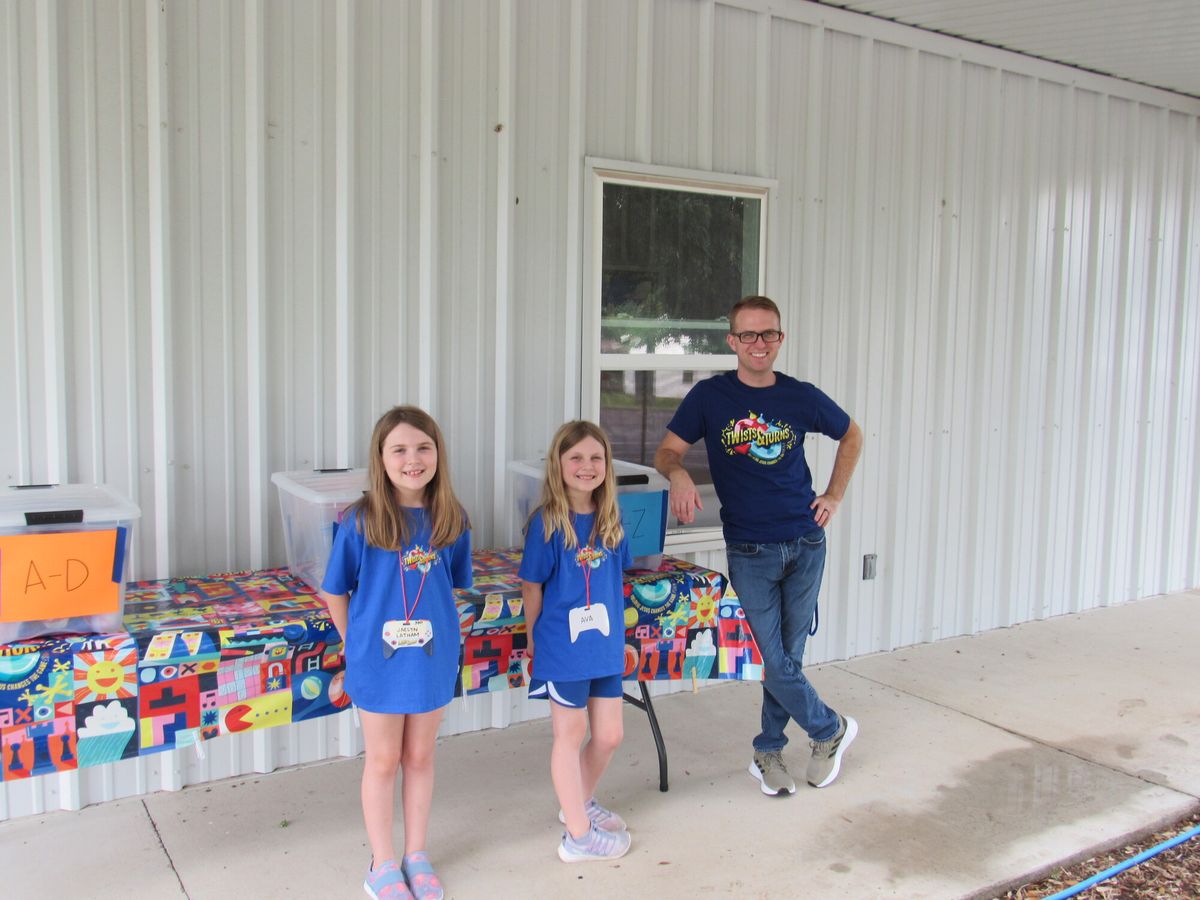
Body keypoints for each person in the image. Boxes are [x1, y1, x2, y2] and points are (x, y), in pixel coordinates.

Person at [653, 295, 864, 797]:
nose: (759, 343)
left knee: (787, 656)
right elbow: (667, 451)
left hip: (805, 541)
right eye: (748, 334)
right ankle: (829, 728)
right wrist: (678, 473)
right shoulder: (710, 397)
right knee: (771, 658)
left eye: (768, 333)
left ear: (780, 338)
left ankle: (768, 749)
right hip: (750, 549)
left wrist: (834, 495)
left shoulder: (800, 396)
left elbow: (852, 435)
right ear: (733, 341)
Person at [320, 405, 472, 900]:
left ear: (438, 454)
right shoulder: (360, 520)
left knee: (421, 756)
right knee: (384, 759)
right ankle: (382, 862)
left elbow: (452, 585)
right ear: (381, 458)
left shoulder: (452, 518)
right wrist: (354, 642)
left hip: (431, 657)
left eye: (424, 448)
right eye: (400, 449)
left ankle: (416, 854)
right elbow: (334, 591)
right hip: (377, 660)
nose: (413, 459)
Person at [519, 421, 634, 862]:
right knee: (570, 733)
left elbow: (615, 581)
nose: (587, 466)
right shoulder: (546, 523)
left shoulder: (611, 519)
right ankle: (579, 838)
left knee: (609, 735)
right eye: (576, 458)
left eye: (596, 458)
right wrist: (533, 641)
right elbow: (532, 587)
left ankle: (578, 804)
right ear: (559, 464)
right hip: (562, 647)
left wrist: (622, 638)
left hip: (603, 645)